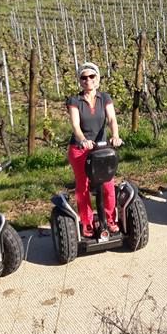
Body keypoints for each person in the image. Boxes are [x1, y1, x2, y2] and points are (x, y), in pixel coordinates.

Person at [66, 62, 123, 237]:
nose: (88, 80)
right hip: (80, 149)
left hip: (101, 148)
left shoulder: (104, 98)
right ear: (79, 80)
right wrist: (83, 139)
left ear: (97, 78)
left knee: (108, 185)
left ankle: (110, 219)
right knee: (82, 186)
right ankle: (87, 222)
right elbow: (75, 125)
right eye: (84, 77)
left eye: (91, 76)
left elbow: (112, 118)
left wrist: (115, 135)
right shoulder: (75, 101)